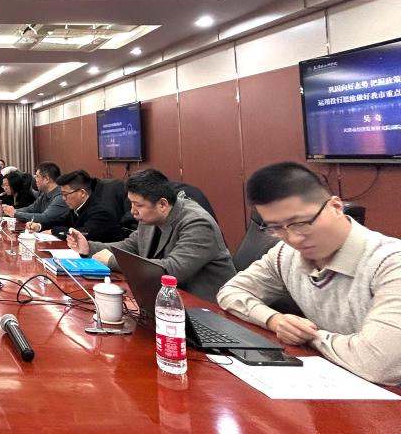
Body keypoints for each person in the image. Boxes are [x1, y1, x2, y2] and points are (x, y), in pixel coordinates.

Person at [217, 162, 401, 384]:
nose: (293, 239)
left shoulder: (391, 263)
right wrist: (274, 320)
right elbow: (231, 291)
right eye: (276, 228)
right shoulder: (286, 254)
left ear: (336, 207)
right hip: (339, 380)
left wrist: (310, 337)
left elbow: (377, 364)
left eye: (301, 223)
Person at [65, 169, 235, 302]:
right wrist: (89, 247)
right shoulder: (150, 218)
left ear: (162, 204)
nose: (132, 211)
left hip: (206, 310)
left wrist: (112, 261)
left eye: (138, 205)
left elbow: (171, 270)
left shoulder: (198, 223)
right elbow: (130, 246)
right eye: (131, 204)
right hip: (166, 300)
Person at [25, 169, 125, 242]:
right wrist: (39, 226)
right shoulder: (78, 207)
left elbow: (80, 235)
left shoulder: (100, 212)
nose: (63, 198)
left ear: (82, 193)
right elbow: (61, 221)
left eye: (66, 194)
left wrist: (53, 231)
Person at [3, 162, 70, 228]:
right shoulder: (45, 193)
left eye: (37, 176)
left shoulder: (61, 197)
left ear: (46, 179)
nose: (35, 179)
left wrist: (16, 214)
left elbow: (44, 218)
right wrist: (10, 210)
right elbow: (31, 209)